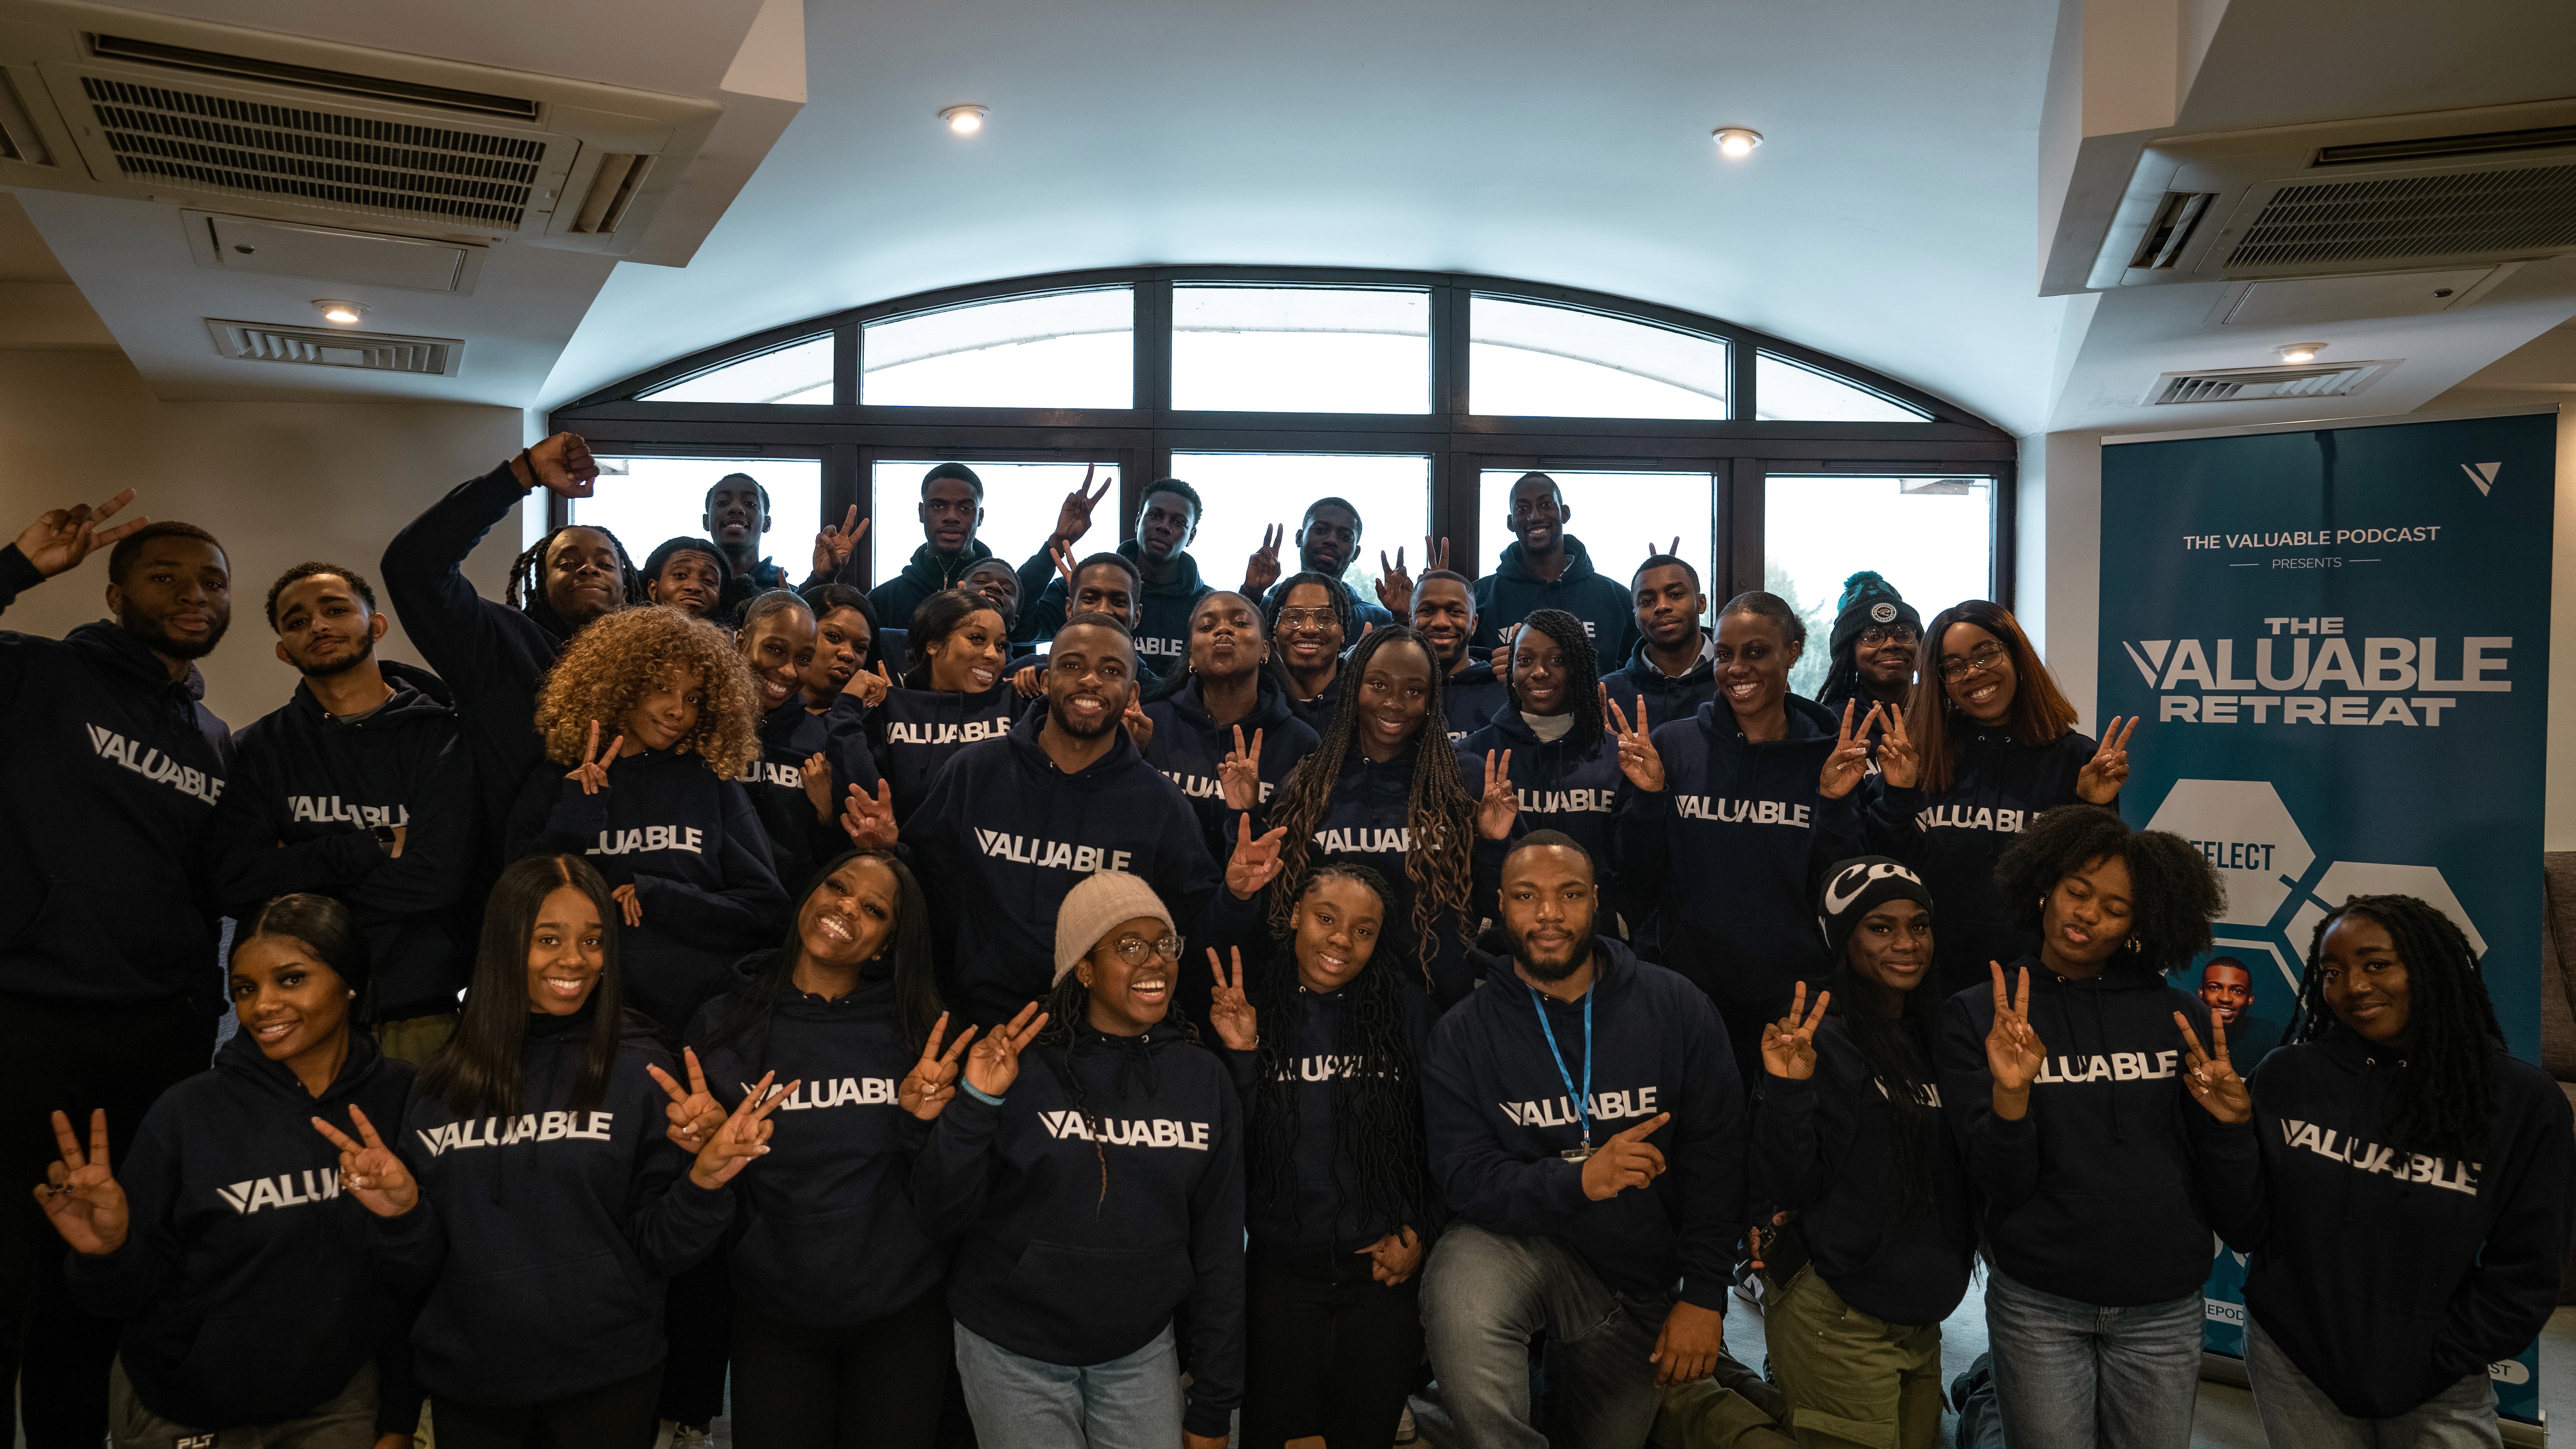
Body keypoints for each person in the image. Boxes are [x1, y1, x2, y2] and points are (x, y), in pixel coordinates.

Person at [351, 854, 785, 1449]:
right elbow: (416, 1269)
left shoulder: (643, 1070)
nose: (575, 961)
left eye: (593, 941)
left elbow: (661, 1249)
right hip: (474, 1384)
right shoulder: (437, 1085)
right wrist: (401, 1215)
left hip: (609, 1378)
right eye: (548, 939)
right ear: (505, 945)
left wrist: (705, 1182)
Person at [1, 492, 236, 1443]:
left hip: (158, 1034)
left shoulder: (216, 740)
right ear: (113, 591)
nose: (193, 593)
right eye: (166, 575)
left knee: (99, 1270)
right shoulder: (38, 675)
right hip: (32, 1015)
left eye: (212, 580)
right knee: (8, 1266)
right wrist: (15, 566)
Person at [39, 894, 420, 1449]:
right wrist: (107, 1252)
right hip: (184, 1408)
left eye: (290, 980)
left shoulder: (404, 1099)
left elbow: (418, 1279)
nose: (262, 1005)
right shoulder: (186, 1114)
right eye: (244, 989)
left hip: (332, 1404)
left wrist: (399, 1419)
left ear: (351, 982)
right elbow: (119, 1300)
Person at [1934, 805, 2253, 1449]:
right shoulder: (1980, 1017)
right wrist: (2012, 1094)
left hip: (2162, 1303)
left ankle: (1985, 1397)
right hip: (2040, 1301)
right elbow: (2001, 1183)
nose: (2086, 914)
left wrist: (2230, 1128)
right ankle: (1987, 1400)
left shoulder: (2179, 1015)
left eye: (2115, 908)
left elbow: (2238, 1212)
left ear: (2142, 923)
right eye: (2077, 891)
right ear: (2046, 884)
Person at [1419, 832, 1743, 1449]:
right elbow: (1462, 1177)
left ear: (1595, 901)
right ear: (1502, 905)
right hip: (1526, 1246)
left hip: (1639, 1283)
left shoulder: (1676, 1005)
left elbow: (1718, 1159)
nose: (1548, 914)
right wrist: (1581, 1179)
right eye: (1527, 896)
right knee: (1459, 1283)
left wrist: (1705, 1297)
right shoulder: (1463, 1032)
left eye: (1569, 895)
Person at [913, 871, 1246, 1449]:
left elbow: (1220, 1247)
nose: (1157, 962)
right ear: (1084, 970)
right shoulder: (1022, 1068)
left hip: (1138, 1347)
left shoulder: (1203, 1078)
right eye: (1130, 946)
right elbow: (938, 1212)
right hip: (1012, 1346)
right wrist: (977, 1102)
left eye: (1165, 944)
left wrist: (1215, 1401)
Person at [2233, 894, 2574, 1446]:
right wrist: (2226, 1131)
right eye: (2332, 972)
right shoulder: (2287, 1074)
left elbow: (2528, 1273)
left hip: (2437, 1380)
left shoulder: (2520, 1102)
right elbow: (2247, 1222)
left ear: (2430, 966)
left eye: (2376, 965)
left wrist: (2435, 1356)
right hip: (2292, 1363)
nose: (2353, 987)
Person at [685, 849, 972, 1449]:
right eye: (838, 887)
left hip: (902, 1319)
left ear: (887, 945)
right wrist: (708, 1147)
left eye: (873, 910)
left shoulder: (919, 1031)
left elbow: (950, 1201)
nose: (846, 907)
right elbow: (703, 1198)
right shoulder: (725, 1022)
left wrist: (923, 1125)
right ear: (810, 893)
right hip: (775, 1317)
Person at [882, 613, 1281, 1027]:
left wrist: (1235, 897)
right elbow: (924, 892)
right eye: (1072, 666)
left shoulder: (1162, 806)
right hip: (977, 1023)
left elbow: (1193, 933)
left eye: (1111, 670)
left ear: (1131, 693)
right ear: (1046, 680)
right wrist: (886, 849)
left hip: (1099, 1039)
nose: (1090, 680)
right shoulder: (974, 772)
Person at [1200, 864, 1436, 1449]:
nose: (1340, 939)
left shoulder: (1409, 1012)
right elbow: (1232, 1155)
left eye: (1363, 929)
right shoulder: (1250, 1004)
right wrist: (1244, 1055)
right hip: (1281, 1272)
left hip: (1383, 1269)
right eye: (1326, 919)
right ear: (1295, 918)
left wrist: (1422, 1230)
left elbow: (1444, 1137)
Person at [211, 561, 476, 1064]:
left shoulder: (444, 738)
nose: (317, 625)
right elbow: (235, 882)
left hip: (420, 1018)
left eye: (335, 610)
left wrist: (296, 879)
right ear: (283, 650)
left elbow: (439, 877)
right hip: (292, 1018)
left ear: (375, 626)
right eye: (296, 621)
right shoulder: (257, 749)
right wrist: (372, 843)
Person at [1752, 858, 1971, 1449]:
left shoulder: (1941, 1037)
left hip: (1921, 1320)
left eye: (1918, 926)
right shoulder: (1822, 1037)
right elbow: (1791, 1184)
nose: (1906, 944)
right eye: (1880, 927)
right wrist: (1789, 1088)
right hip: (1838, 1314)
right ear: (1843, 938)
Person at [1609, 591, 1870, 1081]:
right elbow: (1637, 872)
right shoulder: (1675, 745)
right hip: (1689, 991)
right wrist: (1648, 799)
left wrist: (1835, 805)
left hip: (1795, 997)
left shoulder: (1828, 754)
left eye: (1756, 652)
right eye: (1725, 655)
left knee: (1785, 1136)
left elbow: (1840, 890)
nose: (1736, 669)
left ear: (1792, 652)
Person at [506, 606, 788, 1038]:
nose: (678, 710)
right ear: (622, 686)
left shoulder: (709, 782)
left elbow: (765, 913)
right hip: (581, 1027)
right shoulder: (556, 779)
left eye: (693, 698)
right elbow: (514, 903)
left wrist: (661, 895)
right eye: (662, 688)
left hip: (703, 1024)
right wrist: (576, 818)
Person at [382, 431, 626, 865]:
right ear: (539, 581)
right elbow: (413, 566)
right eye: (567, 562)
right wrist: (523, 474)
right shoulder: (499, 642)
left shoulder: (651, 672)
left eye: (606, 563)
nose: (589, 566)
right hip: (511, 885)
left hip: (636, 893)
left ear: (627, 586)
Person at [1871, 598, 2133, 998]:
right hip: (1927, 984)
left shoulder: (2076, 759)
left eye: (1985, 654)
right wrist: (1898, 793)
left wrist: (2094, 807)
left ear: (2017, 655)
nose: (1973, 674)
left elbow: (2089, 888)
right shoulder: (1920, 756)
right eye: (1954, 666)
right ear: (1941, 682)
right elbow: (1891, 873)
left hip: (2038, 985)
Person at [1261, 626, 1518, 1009]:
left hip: (1436, 1006)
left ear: (1432, 701)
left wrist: (1493, 846)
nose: (1395, 703)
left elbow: (1501, 905)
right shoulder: (1309, 783)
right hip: (1328, 1010)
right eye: (1379, 685)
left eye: (1414, 691)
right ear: (1354, 690)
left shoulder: (1465, 780)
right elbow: (1280, 906)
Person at [1459, 609, 1625, 918]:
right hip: (1502, 940)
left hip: (1597, 937)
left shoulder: (1615, 757)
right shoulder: (1473, 755)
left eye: (1558, 661)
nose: (1539, 672)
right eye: (1524, 661)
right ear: (1510, 670)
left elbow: (1635, 866)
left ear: (1581, 668)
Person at [1142, 591, 1321, 860]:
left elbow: (1300, 850)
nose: (1223, 629)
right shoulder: (1151, 725)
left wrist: (1247, 814)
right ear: (1190, 656)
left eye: (1240, 623)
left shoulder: (1301, 741)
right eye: (1207, 626)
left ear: (1264, 650)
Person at [734, 590, 878, 922]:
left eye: (803, 658)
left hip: (790, 915)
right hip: (714, 908)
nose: (787, 671)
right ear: (741, 642)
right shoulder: (700, 726)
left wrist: (827, 813)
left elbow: (835, 856)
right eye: (775, 650)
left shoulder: (821, 737)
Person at [1021, 472, 1215, 669]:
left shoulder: (1209, 607)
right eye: (1155, 515)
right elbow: (1015, 627)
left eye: (1178, 522)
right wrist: (1057, 541)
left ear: (1191, 536)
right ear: (1138, 521)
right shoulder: (1090, 590)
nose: (1164, 527)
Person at [870, 588, 1017, 822]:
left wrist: (1041, 672)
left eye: (1000, 645)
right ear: (934, 644)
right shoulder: (893, 709)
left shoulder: (1013, 703)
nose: (993, 655)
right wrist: (849, 704)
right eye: (977, 639)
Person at [1470, 473, 1638, 664]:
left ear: (1564, 513)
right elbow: (1462, 671)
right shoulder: (1480, 597)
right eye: (1522, 509)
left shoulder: (1616, 597)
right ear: (1511, 522)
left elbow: (1640, 672)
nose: (1535, 516)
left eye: (1546, 505)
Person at [872, 464, 994, 630]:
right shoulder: (884, 599)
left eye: (965, 508)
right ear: (922, 512)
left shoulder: (1001, 596)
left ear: (980, 517)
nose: (951, 517)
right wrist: (825, 578)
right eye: (938, 506)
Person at [1600, 555, 1716, 724]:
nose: (1662, 607)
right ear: (1636, 617)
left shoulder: (1733, 678)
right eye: (1647, 601)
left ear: (1701, 603)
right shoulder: (1607, 692)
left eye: (1676, 595)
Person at [1250, 498, 1394, 631]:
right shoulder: (1260, 609)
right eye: (1320, 530)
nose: (1331, 540)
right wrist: (1250, 593)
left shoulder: (1379, 620)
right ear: (1300, 538)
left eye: (1345, 537)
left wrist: (1403, 617)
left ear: (1356, 554)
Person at [1413, 567, 1507, 743]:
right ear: (1411, 623)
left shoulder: (1504, 688)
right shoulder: (1394, 691)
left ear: (1473, 624)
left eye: (1455, 611)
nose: (1441, 623)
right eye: (1427, 611)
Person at [1814, 572, 1918, 729]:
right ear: (1849, 653)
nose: (1891, 644)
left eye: (1903, 634)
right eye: (1873, 637)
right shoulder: (1832, 726)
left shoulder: (1949, 710)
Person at [1266, 572, 1353, 733]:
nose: (1309, 629)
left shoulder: (1363, 702)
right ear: (1275, 629)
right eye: (1293, 617)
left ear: (1343, 632)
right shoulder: (1256, 701)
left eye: (1326, 618)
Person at [704, 474, 789, 618]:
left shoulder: (787, 595)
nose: (736, 508)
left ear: (767, 524)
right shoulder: (691, 590)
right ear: (706, 522)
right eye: (723, 502)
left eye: (750, 503)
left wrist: (822, 578)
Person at [799, 584, 886, 712]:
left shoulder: (867, 719)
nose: (848, 654)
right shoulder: (766, 707)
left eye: (860, 647)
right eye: (834, 637)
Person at [2195, 955, 2284, 1063]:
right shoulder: (2185, 1030)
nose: (2225, 998)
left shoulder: (2268, 1036)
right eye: (2215, 988)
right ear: (2201, 992)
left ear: (2250, 999)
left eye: (2237, 991)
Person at [642, 538, 731, 622]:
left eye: (708, 580)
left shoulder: (737, 637)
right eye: (680, 575)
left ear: (720, 596)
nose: (695, 587)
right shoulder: (629, 634)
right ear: (653, 589)